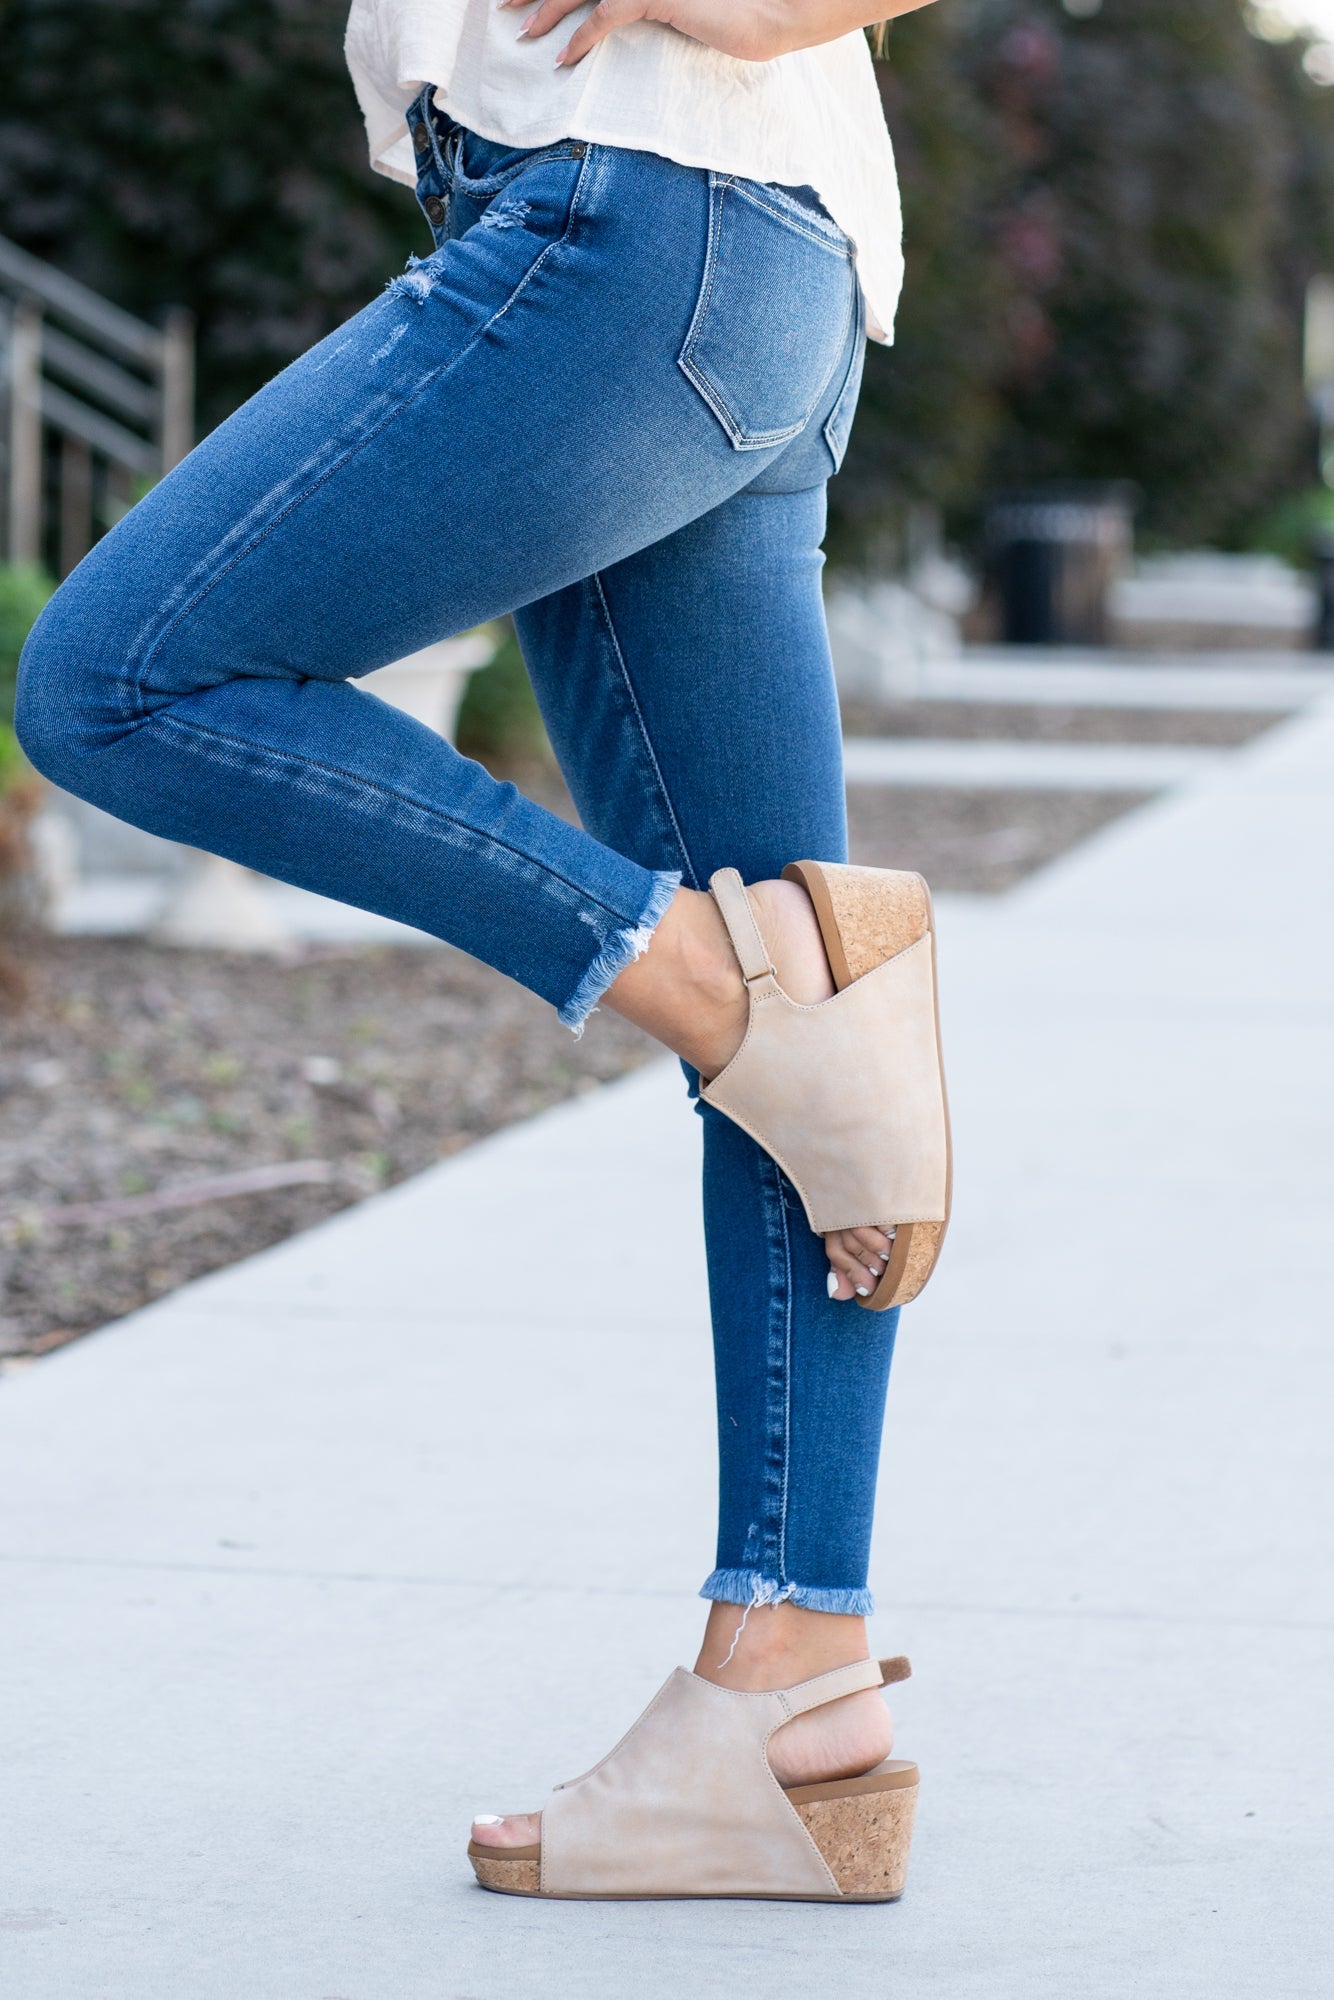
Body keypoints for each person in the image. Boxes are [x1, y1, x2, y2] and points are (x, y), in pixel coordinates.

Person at [15, 0, 950, 1904]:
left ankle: (709, 987)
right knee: (798, 1026)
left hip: (635, 224)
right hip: (726, 251)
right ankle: (791, 1681)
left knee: (119, 681)